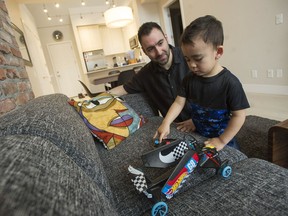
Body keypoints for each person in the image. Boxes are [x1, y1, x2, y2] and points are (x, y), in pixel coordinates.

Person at [154, 15, 250, 151]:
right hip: (198, 134)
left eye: (198, 58)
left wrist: (222, 140)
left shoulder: (230, 83)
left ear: (218, 52)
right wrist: (166, 122)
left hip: (223, 140)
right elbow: (178, 102)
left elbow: (239, 116)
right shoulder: (189, 79)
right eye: (187, 59)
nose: (192, 65)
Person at [109, 22, 192, 131]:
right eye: (150, 49)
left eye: (160, 43)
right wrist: (93, 101)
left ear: (166, 38)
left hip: (204, 123)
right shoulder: (145, 74)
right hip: (173, 129)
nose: (158, 52)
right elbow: (123, 89)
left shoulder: (190, 57)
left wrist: (197, 121)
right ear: (144, 51)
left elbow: (215, 87)